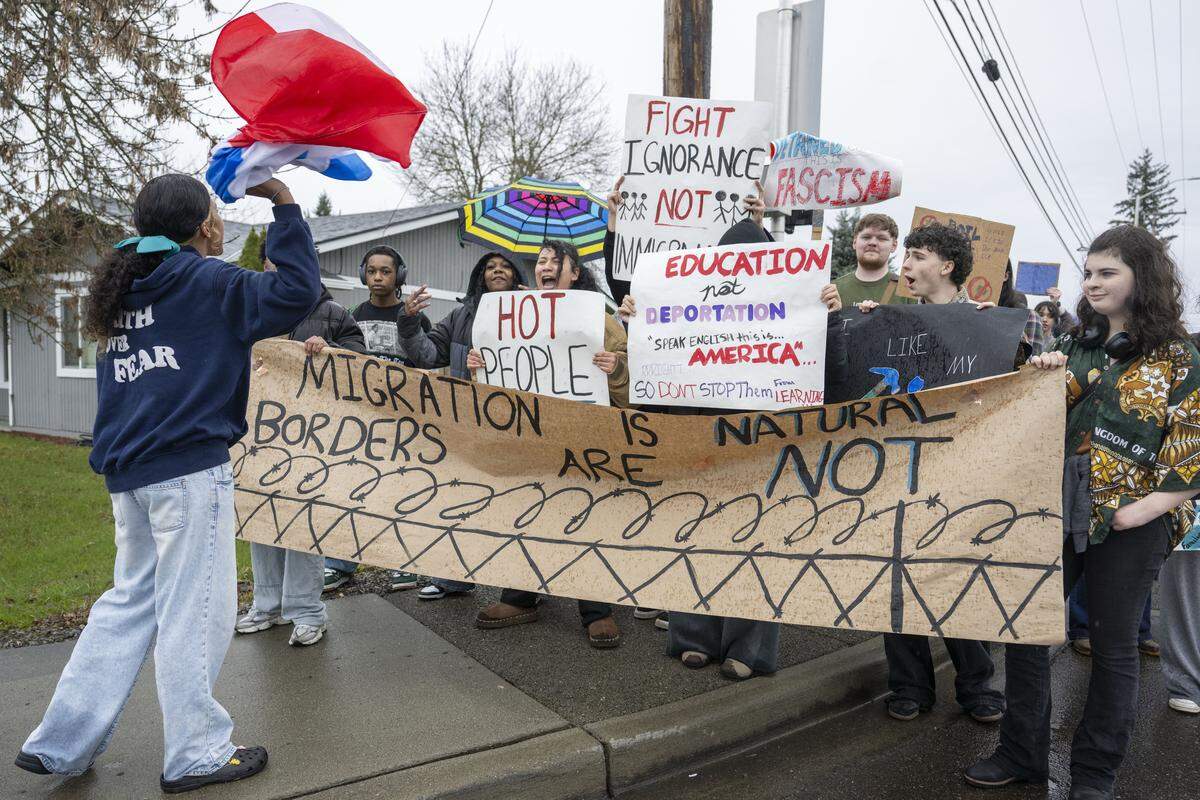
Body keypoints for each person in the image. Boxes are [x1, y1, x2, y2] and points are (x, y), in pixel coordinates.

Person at [15, 175, 320, 793]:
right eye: (216, 215)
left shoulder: (123, 284)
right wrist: (285, 205)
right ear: (206, 226)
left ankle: (61, 744)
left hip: (130, 473)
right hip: (186, 471)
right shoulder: (206, 280)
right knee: (194, 612)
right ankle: (196, 752)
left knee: (128, 604)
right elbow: (294, 292)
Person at [965, 225, 1200, 800]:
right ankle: (1022, 754)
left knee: (1114, 645)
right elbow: (1029, 419)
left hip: (1133, 520)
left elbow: (1191, 447)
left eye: (1107, 273)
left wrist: (1143, 510)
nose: (1092, 283)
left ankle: (1094, 774)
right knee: (1024, 631)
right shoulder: (1076, 345)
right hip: (1054, 506)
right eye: (1089, 273)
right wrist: (1038, 379)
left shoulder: (1178, 357)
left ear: (1141, 278)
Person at [617, 215, 849, 680]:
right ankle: (694, 635)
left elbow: (831, 375)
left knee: (755, 538)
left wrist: (831, 316)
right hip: (699, 431)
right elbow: (659, 364)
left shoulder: (796, 299)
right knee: (696, 527)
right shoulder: (692, 297)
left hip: (761, 435)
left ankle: (748, 646)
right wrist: (635, 324)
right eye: (728, 256)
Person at [861, 222, 1008, 724]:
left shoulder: (987, 324)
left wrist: (1017, 346)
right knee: (897, 579)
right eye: (906, 255)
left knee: (958, 577)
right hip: (897, 471)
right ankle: (909, 686)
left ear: (946, 267)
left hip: (961, 476)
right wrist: (859, 332)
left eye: (918, 255)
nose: (906, 264)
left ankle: (977, 686)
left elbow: (1021, 391)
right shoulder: (887, 322)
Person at [472, 239, 631, 648]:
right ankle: (521, 596)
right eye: (541, 261)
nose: (545, 266)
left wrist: (616, 368)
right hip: (528, 438)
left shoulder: (600, 317)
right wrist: (478, 367)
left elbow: (632, 390)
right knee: (527, 511)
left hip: (586, 438)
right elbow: (495, 385)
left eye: (555, 262)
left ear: (574, 273)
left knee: (586, 517)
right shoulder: (507, 317)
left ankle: (597, 609)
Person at [236, 243, 366, 646]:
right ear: (265, 265)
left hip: (314, 441)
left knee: (305, 524)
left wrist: (331, 353)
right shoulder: (251, 308)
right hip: (261, 439)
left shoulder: (333, 313)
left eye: (289, 257)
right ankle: (267, 605)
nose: (281, 265)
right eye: (274, 259)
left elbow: (363, 364)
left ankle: (308, 612)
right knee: (263, 522)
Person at [396, 250, 527, 600]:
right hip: (470, 425)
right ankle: (453, 579)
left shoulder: (540, 314)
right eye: (489, 268)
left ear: (516, 276)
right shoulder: (460, 316)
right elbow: (425, 354)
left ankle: (525, 588)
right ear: (480, 277)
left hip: (524, 426)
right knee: (461, 498)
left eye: (505, 268)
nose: (497, 272)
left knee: (520, 506)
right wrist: (408, 320)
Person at [334, 245, 432, 593]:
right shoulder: (351, 315)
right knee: (351, 487)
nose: (378, 277)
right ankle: (340, 563)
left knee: (401, 489)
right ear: (364, 274)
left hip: (403, 419)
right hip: (361, 419)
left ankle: (402, 563)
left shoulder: (415, 317)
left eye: (386, 271)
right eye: (372, 270)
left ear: (398, 276)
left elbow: (427, 363)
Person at [832, 212, 915, 308]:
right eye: (866, 237)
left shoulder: (909, 291)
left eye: (881, 238)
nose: (872, 243)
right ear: (855, 242)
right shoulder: (833, 290)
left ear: (894, 245)